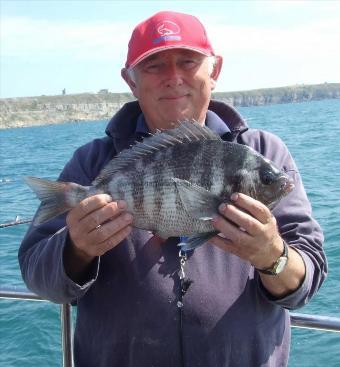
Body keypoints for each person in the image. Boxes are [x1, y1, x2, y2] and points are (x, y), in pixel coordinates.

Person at [19, 11, 327, 367]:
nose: (174, 77)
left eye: (188, 61)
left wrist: (272, 256)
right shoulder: (93, 162)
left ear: (215, 71)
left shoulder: (263, 154)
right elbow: (37, 275)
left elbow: (309, 275)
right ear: (131, 81)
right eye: (154, 65)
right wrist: (76, 249)